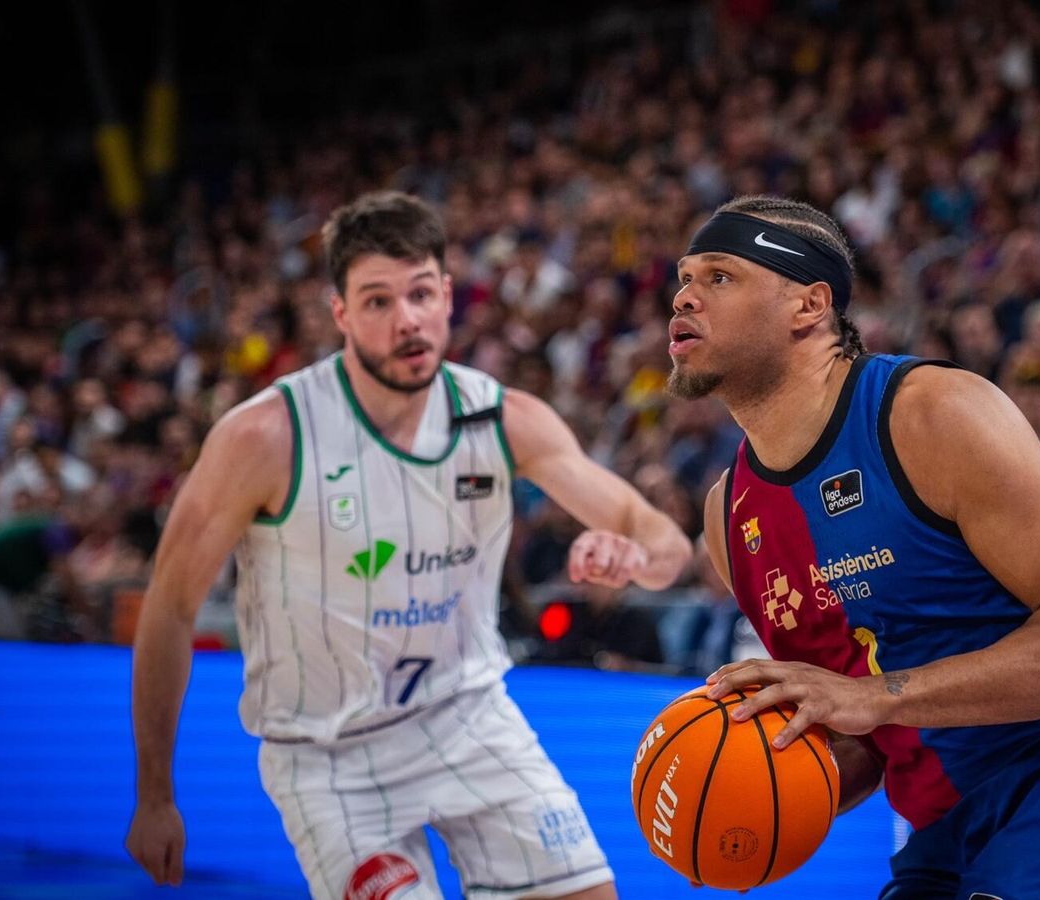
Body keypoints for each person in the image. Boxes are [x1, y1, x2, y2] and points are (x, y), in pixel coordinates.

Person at [126, 192, 689, 900]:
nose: (408, 320)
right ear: (340, 313)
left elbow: (659, 536)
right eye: (377, 302)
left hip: (470, 721)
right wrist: (154, 795)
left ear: (448, 295)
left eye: (421, 294)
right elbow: (171, 607)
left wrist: (639, 558)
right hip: (329, 758)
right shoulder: (266, 437)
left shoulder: (502, 416)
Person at [674, 196, 1040, 899]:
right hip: (948, 817)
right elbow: (864, 726)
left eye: (720, 276)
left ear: (808, 306)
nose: (685, 296)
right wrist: (761, 784)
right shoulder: (731, 514)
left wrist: (869, 697)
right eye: (686, 277)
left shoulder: (930, 414)